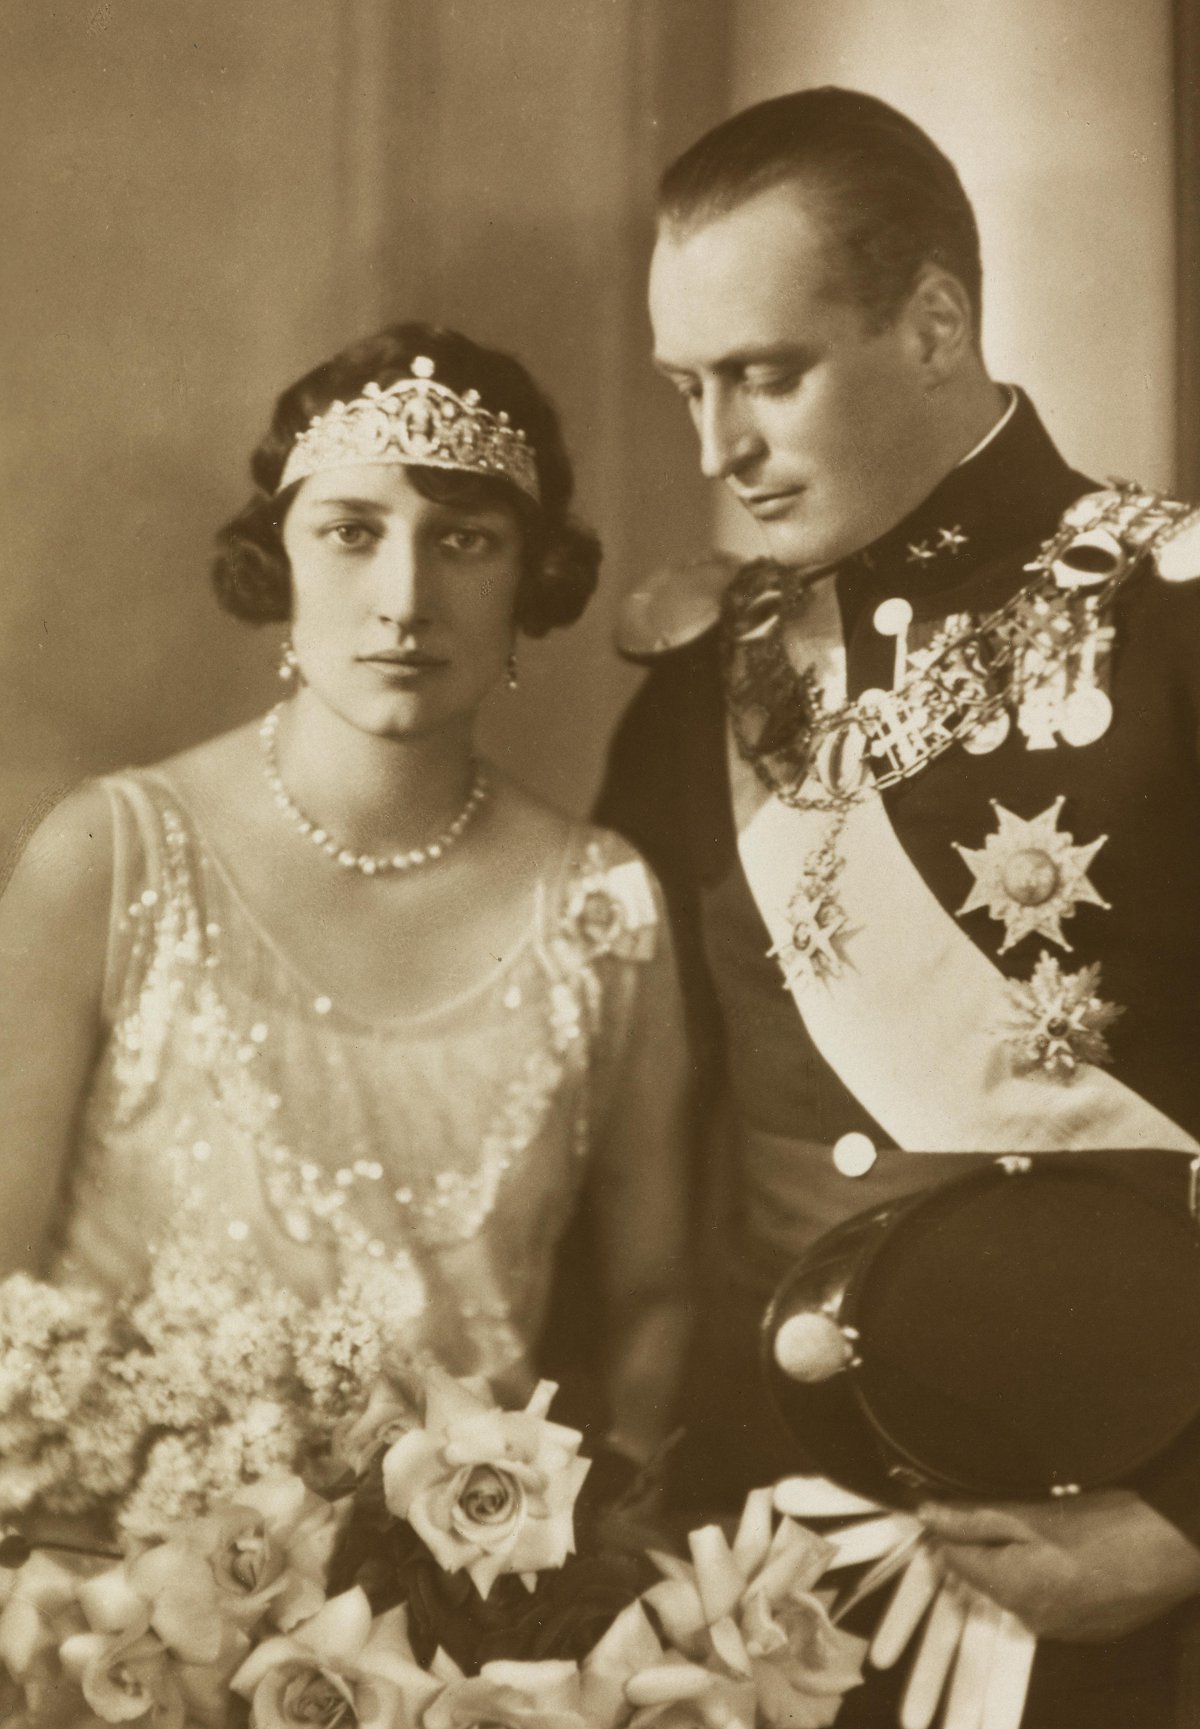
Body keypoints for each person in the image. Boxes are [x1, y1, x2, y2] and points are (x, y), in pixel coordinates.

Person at [596, 87, 1200, 1725]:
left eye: (765, 374)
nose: (717, 448)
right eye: (685, 387)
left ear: (933, 322)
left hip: (1116, 1543)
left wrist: (1197, 1514)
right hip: (764, 1573)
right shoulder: (698, 692)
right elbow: (646, 1142)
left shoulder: (1173, 625)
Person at [0, 321, 690, 1479]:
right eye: (352, 533)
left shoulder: (604, 903)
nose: (405, 597)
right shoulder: (108, 856)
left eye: (465, 541)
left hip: (465, 1623)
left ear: (532, 580)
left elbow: (655, 1301)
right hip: (99, 1596)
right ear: (281, 559)